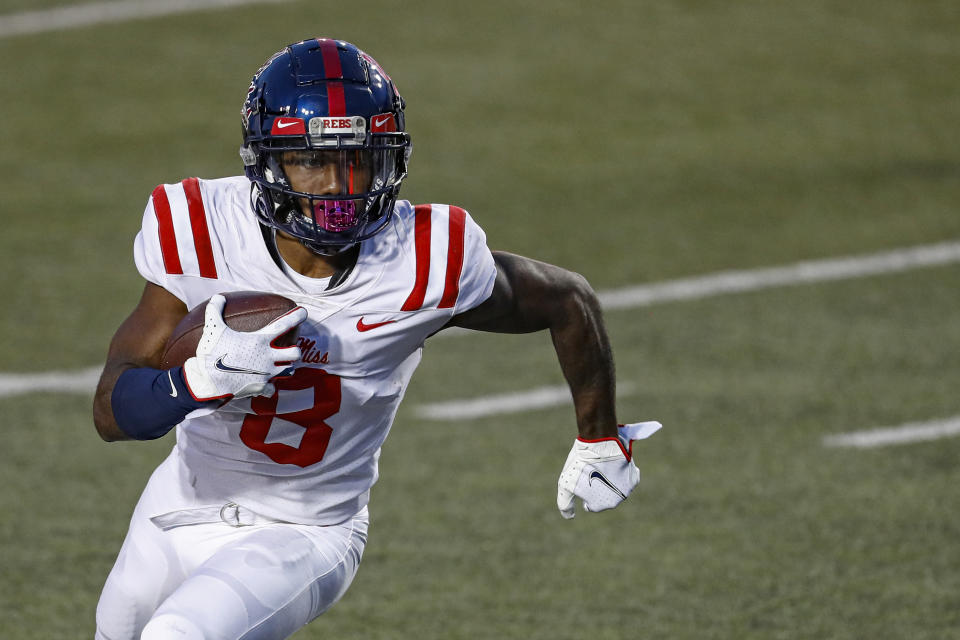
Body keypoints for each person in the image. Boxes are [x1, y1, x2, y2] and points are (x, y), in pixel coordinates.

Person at [92, 37, 657, 640]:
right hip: (180, 500)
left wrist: (601, 439)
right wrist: (198, 381)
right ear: (267, 161)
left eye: (359, 159)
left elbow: (568, 299)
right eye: (313, 159)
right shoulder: (206, 230)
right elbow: (111, 411)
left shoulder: (424, 261)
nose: (339, 186)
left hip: (306, 530)